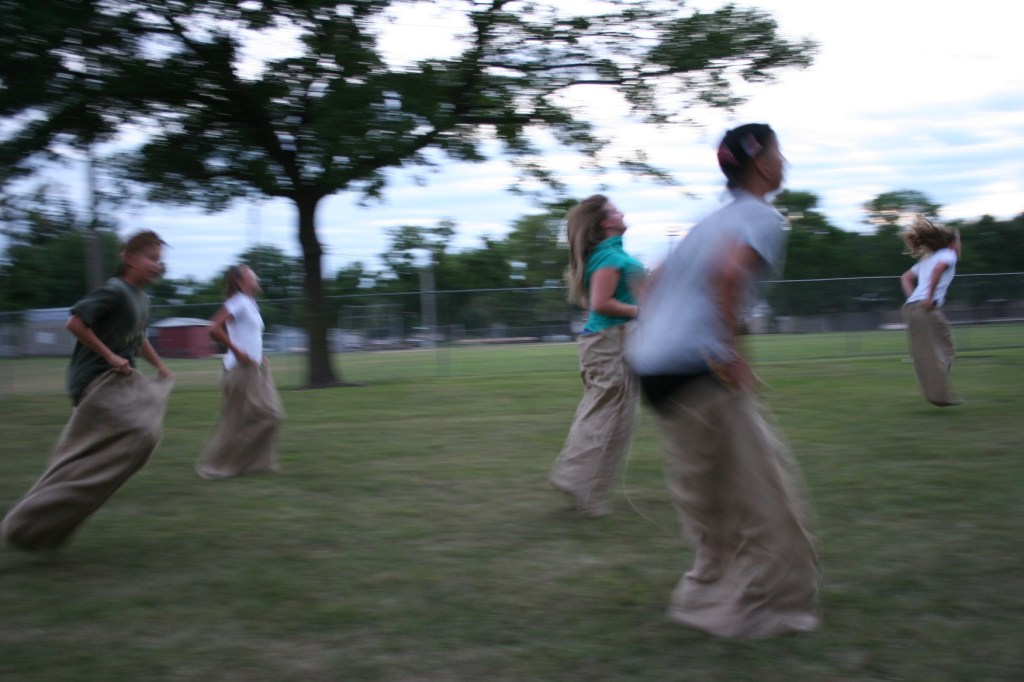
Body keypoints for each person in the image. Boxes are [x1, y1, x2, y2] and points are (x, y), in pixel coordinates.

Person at [627, 124, 820, 638]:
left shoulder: (708, 221)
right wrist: (731, 353)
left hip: (654, 369)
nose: (785, 163)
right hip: (699, 369)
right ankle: (757, 609)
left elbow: (652, 284)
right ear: (761, 164)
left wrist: (661, 335)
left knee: (709, 497)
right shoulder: (761, 217)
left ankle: (705, 594)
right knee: (762, 496)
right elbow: (730, 275)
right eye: (780, 152)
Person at [2, 230, 175, 551]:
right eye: (151, 259)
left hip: (120, 379)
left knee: (108, 453)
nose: (156, 266)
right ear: (129, 258)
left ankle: (44, 523)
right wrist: (109, 355)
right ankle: (28, 520)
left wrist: (159, 366)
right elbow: (75, 324)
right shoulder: (114, 290)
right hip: (96, 380)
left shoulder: (140, 298)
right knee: (141, 432)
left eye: (159, 261)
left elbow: (139, 337)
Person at [549, 195, 645, 517]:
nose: (622, 211)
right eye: (616, 210)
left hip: (612, 341)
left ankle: (589, 491)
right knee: (611, 416)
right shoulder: (607, 256)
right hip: (608, 342)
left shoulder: (613, 254)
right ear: (606, 223)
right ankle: (576, 480)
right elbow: (600, 303)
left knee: (613, 417)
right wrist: (642, 311)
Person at [195, 264, 284, 479]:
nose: (256, 280)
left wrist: (258, 353)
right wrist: (237, 350)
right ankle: (218, 466)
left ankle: (252, 463)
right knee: (238, 422)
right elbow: (213, 327)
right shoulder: (237, 301)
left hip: (255, 368)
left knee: (271, 415)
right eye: (252, 277)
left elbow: (246, 334)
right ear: (240, 281)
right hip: (239, 370)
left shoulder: (250, 303)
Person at [899, 216, 963, 406]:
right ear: (952, 243)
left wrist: (913, 297)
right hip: (925, 307)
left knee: (944, 348)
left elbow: (905, 278)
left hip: (915, 307)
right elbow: (938, 271)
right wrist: (929, 297)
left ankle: (937, 389)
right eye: (959, 241)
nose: (960, 245)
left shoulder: (929, 259)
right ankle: (939, 396)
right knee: (932, 353)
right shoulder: (948, 255)